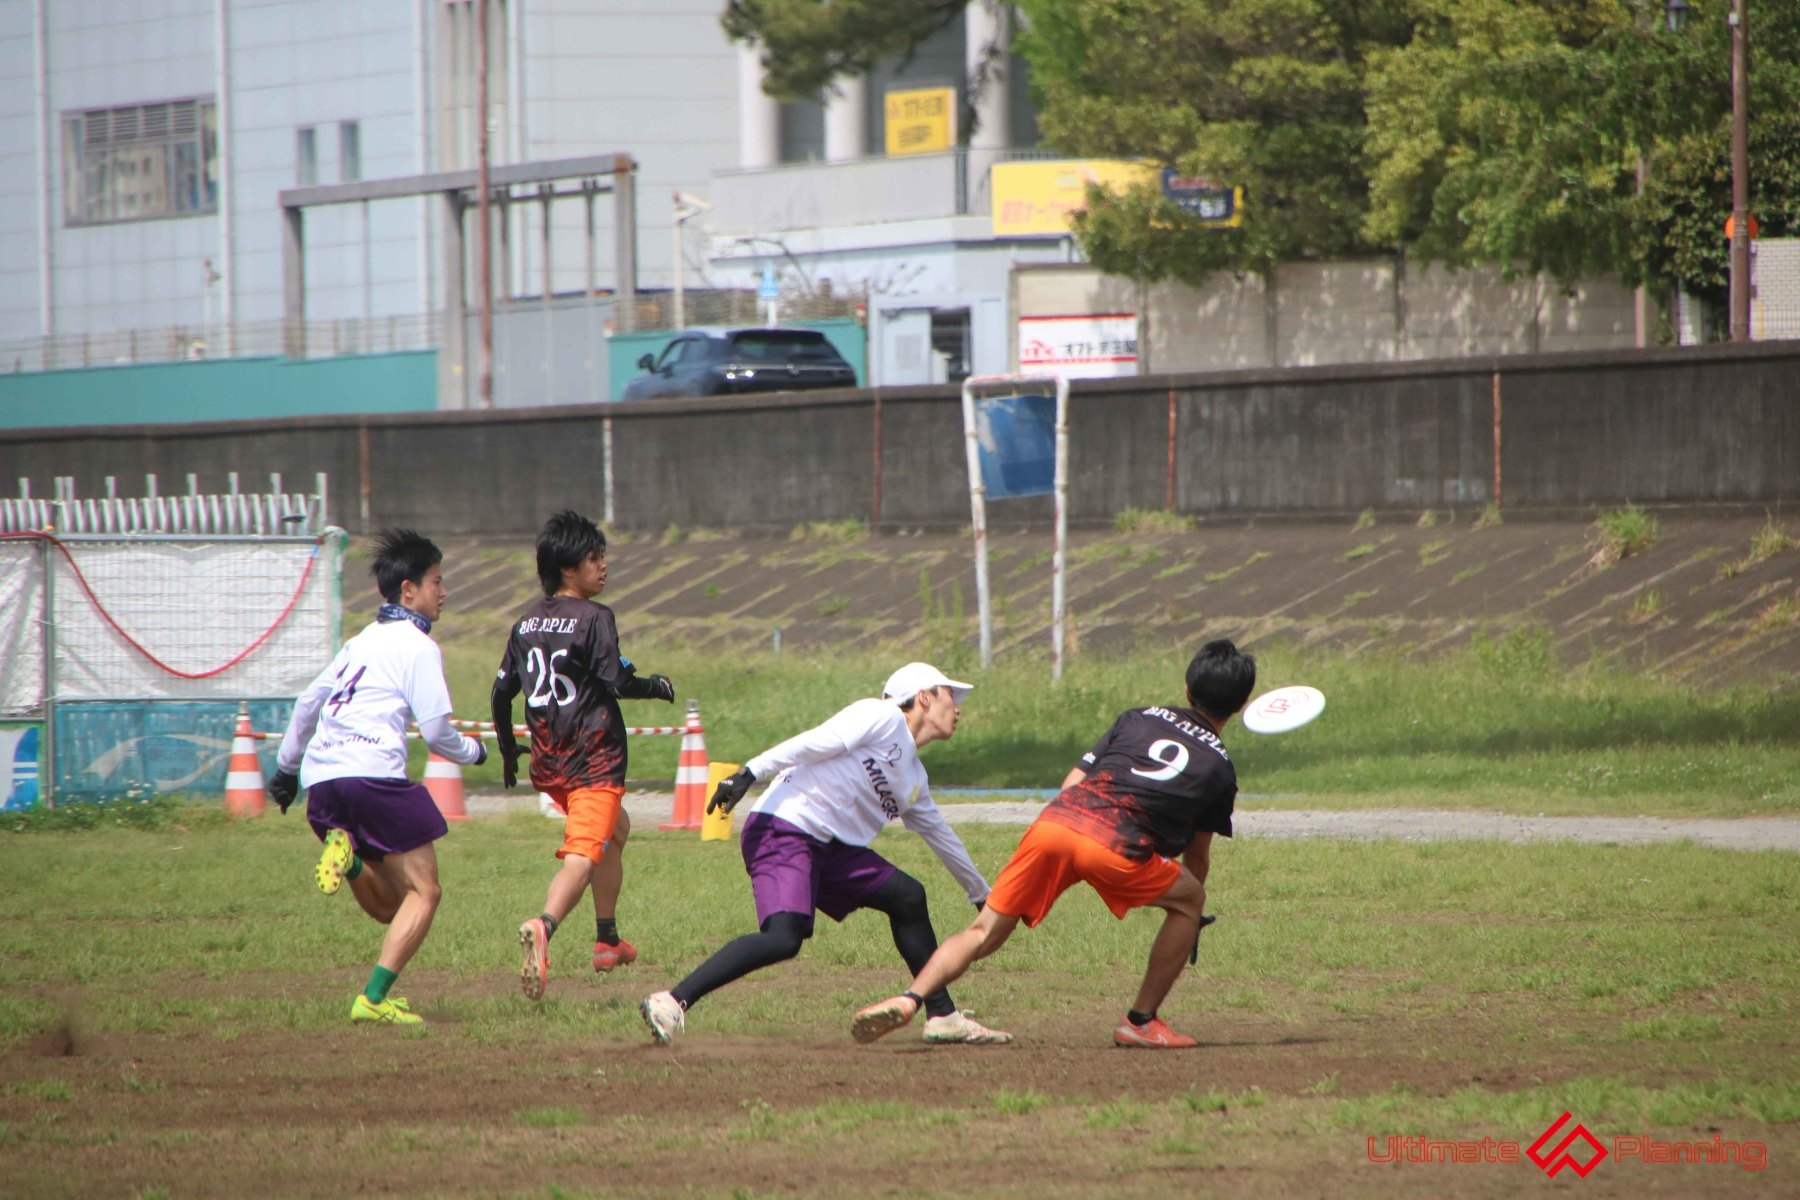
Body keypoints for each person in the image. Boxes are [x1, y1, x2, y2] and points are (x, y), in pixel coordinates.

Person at [851, 639, 1256, 1049]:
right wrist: (1189, 916)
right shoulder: (1220, 768)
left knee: (984, 932)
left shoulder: (1139, 717)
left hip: (1056, 824)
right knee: (1190, 900)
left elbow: (1071, 783)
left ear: (1187, 688)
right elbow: (1197, 858)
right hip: (1116, 845)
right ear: (1240, 705)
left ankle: (910, 998)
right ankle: (1141, 1021)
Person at [639, 663, 1011, 1047]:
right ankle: (672, 1000)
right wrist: (750, 771)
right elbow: (815, 742)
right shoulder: (882, 716)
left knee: (907, 896)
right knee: (784, 938)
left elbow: (941, 836)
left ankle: (943, 1015)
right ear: (923, 697)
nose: (958, 708)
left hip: (830, 849)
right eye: (949, 695)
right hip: (784, 828)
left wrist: (983, 897)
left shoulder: (914, 778)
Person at [268, 529, 488, 1026]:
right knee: (426, 892)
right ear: (408, 591)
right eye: (437, 581)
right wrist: (476, 752)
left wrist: (285, 771)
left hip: (324, 785)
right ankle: (372, 1000)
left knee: (393, 906)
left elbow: (308, 703)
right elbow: (437, 733)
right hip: (372, 778)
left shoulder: (359, 642)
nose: (444, 591)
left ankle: (347, 862)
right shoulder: (418, 647)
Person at [492, 510, 674, 1001]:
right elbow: (617, 680)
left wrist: (508, 749)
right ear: (569, 568)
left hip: (549, 765)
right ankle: (544, 925)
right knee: (582, 855)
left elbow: (501, 692)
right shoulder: (595, 618)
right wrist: (655, 686)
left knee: (617, 830)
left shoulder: (525, 623)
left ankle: (608, 940)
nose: (603, 565)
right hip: (593, 762)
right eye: (594, 558)